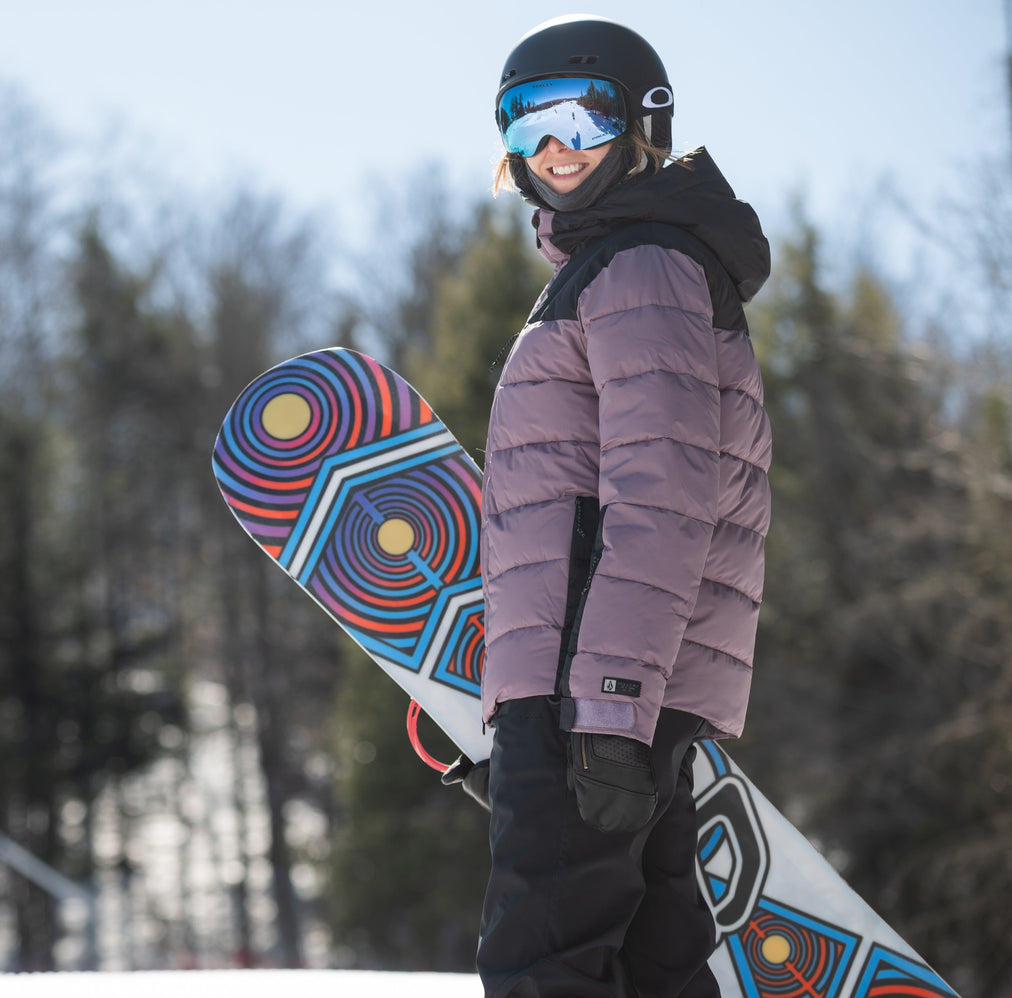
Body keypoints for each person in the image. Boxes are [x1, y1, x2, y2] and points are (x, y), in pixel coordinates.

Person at [472, 13, 772, 998]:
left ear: (642, 124)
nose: (553, 149)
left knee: (544, 964)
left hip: (598, 683)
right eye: (525, 124)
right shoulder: (635, 266)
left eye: (581, 119)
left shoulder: (640, 266)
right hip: (612, 684)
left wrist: (600, 711)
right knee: (652, 961)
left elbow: (665, 496)